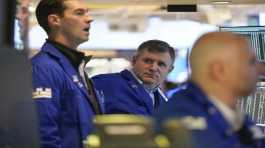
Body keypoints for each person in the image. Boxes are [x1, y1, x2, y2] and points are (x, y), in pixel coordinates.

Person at [155, 32, 265, 148]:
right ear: (219, 71)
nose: (261, 70)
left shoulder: (234, 117)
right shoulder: (181, 121)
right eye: (251, 62)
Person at [31, 0, 104, 148]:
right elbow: (44, 136)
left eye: (87, 12)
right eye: (79, 13)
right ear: (54, 20)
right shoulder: (43, 68)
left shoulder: (75, 66)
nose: (90, 18)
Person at [92, 40, 175, 116]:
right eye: (148, 61)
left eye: (161, 64)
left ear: (169, 70)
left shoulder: (163, 101)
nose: (153, 68)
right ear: (134, 61)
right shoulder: (105, 84)